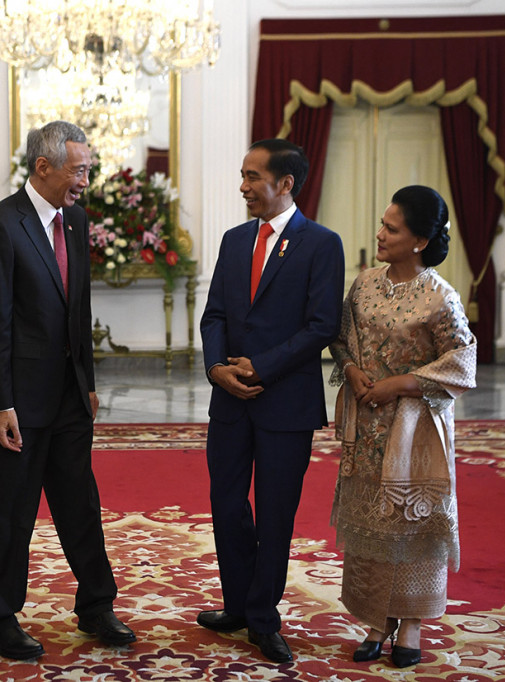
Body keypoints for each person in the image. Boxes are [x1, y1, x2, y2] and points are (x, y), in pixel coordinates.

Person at [0, 120, 135, 660]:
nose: (86, 180)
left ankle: (96, 606)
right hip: (20, 400)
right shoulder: (0, 225)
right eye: (79, 169)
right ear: (43, 167)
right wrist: (2, 404)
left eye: (87, 169)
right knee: (14, 511)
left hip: (69, 396)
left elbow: (79, 308)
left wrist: (88, 382)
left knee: (80, 502)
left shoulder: (77, 219)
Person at [198, 139, 345, 663]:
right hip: (230, 401)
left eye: (252, 177)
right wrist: (218, 368)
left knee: (276, 512)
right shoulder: (235, 240)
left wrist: (262, 365)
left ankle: (263, 617)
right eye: (242, 175)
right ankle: (237, 603)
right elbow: (214, 314)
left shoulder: (321, 244)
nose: (243, 186)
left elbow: (322, 325)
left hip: (286, 403)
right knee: (227, 506)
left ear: (284, 183)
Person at [329, 185, 476, 669]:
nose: (380, 234)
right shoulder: (365, 283)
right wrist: (351, 370)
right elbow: (343, 338)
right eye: (382, 223)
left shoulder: (440, 295)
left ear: (418, 240)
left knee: (412, 522)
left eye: (391, 229)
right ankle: (376, 619)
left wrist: (402, 384)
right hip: (367, 426)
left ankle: (409, 621)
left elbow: (464, 360)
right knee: (373, 519)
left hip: (416, 430)